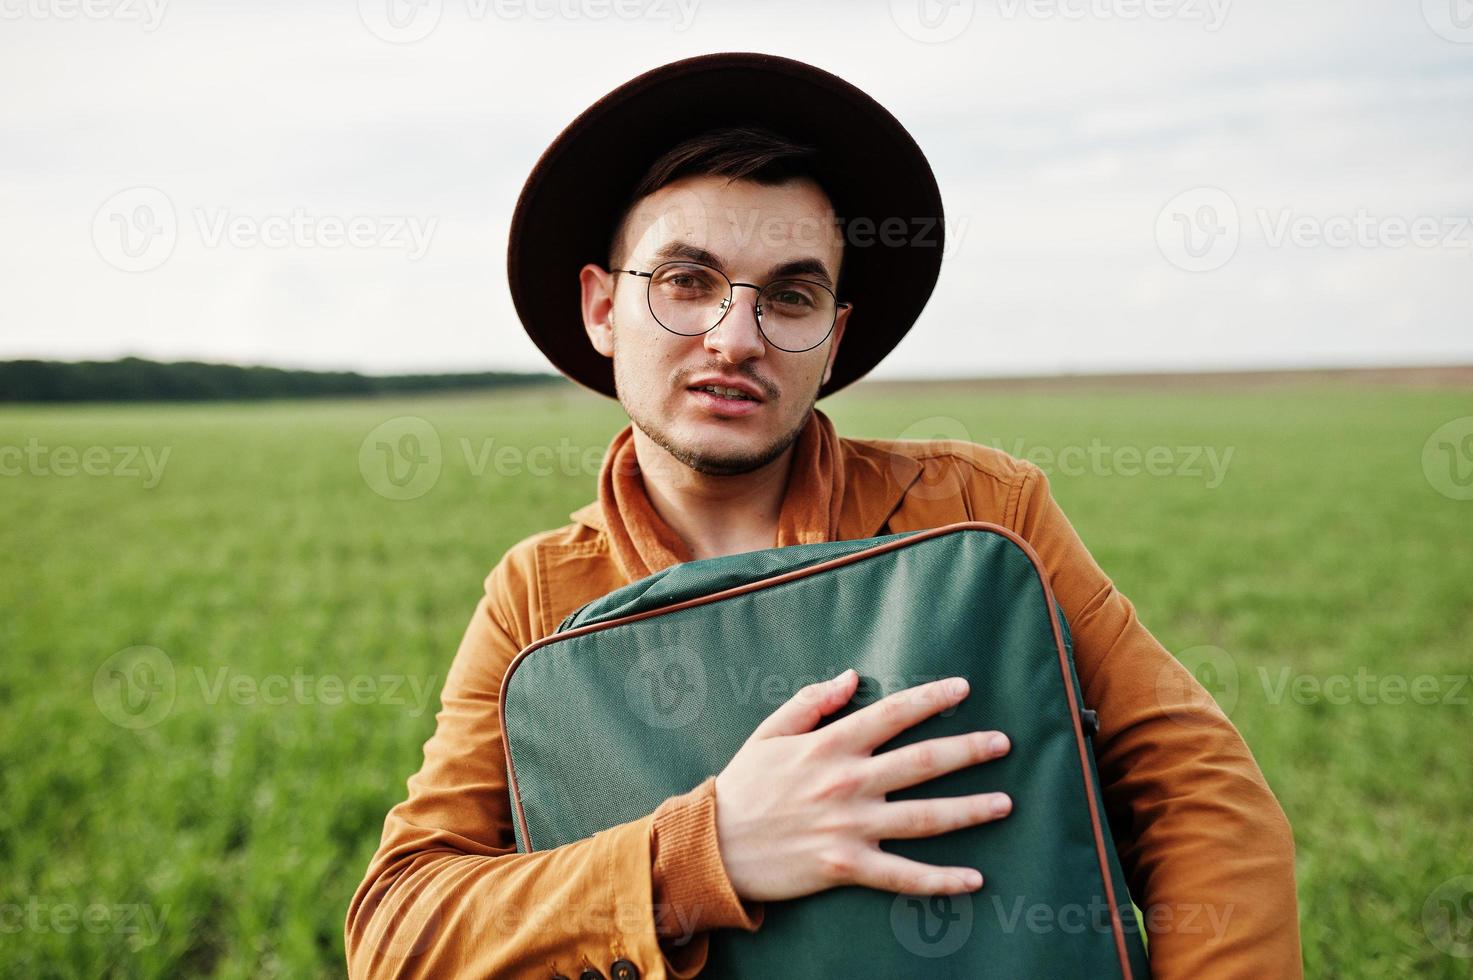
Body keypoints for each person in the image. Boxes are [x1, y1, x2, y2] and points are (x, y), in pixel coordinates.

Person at [346, 53, 1302, 980]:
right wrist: (705, 848)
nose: (735, 337)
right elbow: (398, 933)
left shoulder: (978, 508)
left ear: (833, 336)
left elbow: (1195, 790)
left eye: (791, 296)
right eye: (686, 282)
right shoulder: (535, 597)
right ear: (603, 309)